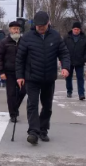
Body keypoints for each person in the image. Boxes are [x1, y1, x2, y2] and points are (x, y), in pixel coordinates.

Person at [16, 11, 70, 145]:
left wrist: (65, 67)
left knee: (47, 106)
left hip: (49, 78)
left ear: (48, 23)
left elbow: (64, 53)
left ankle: (43, 129)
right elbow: (19, 59)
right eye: (38, 26)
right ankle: (33, 132)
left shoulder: (55, 36)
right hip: (32, 78)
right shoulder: (27, 37)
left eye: (43, 26)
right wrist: (20, 76)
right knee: (32, 105)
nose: (40, 28)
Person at [0, 21, 27, 123]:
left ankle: (15, 107)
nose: (16, 30)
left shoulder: (23, 41)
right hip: (9, 71)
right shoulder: (4, 42)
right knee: (11, 94)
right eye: (14, 29)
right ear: (10, 30)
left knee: (23, 91)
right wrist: (1, 72)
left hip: (22, 72)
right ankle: (13, 114)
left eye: (18, 29)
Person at [64, 22, 86, 100]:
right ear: (72, 29)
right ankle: (69, 91)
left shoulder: (84, 38)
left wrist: (84, 59)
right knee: (68, 77)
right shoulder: (67, 37)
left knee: (80, 78)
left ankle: (81, 94)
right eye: (75, 29)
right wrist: (63, 59)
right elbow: (62, 48)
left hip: (80, 61)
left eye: (78, 29)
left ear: (80, 30)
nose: (76, 31)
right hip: (69, 61)